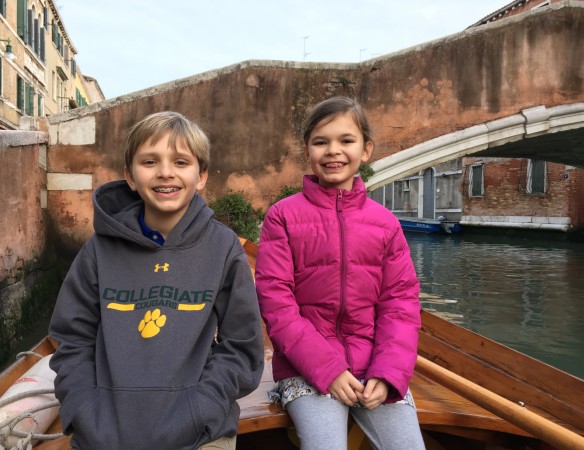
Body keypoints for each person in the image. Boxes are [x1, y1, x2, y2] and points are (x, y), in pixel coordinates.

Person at [48, 111, 264, 450]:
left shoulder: (223, 248)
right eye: (150, 161)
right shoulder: (98, 250)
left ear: (201, 175)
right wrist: (85, 410)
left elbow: (242, 347)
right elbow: (72, 341)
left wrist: (201, 407)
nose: (165, 172)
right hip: (102, 434)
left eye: (180, 161)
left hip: (198, 433)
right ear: (130, 177)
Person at [255, 96, 425, 449]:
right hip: (307, 369)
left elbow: (400, 304)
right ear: (308, 151)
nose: (334, 151)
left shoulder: (385, 223)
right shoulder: (282, 217)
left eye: (346, 141)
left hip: (375, 368)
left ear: (366, 150)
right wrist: (328, 370)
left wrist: (389, 373)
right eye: (321, 142)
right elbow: (277, 305)